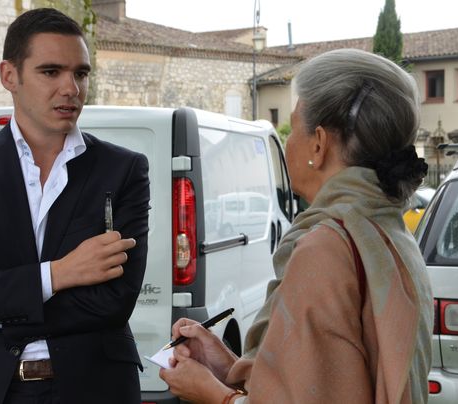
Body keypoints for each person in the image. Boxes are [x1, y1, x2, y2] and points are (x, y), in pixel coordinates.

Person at [159, 48, 434, 404]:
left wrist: (213, 395)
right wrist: (225, 365)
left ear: (318, 144)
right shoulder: (389, 232)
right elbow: (316, 380)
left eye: (294, 127)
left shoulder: (326, 248)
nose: (287, 141)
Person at [0, 8, 150, 404]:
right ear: (10, 76)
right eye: (51, 72)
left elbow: (114, 301)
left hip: (93, 387)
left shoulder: (122, 170)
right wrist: (56, 275)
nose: (71, 88)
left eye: (81, 73)